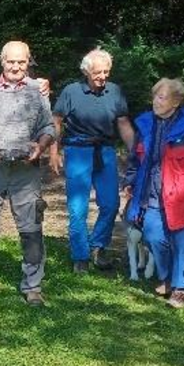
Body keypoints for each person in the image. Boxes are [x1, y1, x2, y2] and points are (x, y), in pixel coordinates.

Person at [0, 39, 58, 305]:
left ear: (28, 62)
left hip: (25, 171)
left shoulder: (37, 90)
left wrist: (41, 147)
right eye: (11, 61)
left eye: (21, 62)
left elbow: (48, 127)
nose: (16, 67)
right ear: (2, 61)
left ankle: (33, 286)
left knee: (31, 229)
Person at [124, 77, 184, 308]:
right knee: (152, 235)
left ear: (176, 102)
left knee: (183, 243)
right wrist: (129, 181)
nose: (156, 102)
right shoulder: (146, 124)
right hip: (152, 194)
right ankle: (168, 276)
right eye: (155, 97)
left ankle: (181, 288)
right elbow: (136, 158)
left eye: (162, 97)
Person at [52, 48, 136, 272]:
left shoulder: (114, 91)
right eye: (98, 72)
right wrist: (54, 151)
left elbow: (123, 123)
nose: (102, 77)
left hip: (105, 150)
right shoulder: (71, 91)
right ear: (86, 72)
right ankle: (80, 256)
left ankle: (98, 246)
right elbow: (56, 121)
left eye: (106, 72)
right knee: (77, 206)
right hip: (77, 150)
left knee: (111, 203)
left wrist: (136, 151)